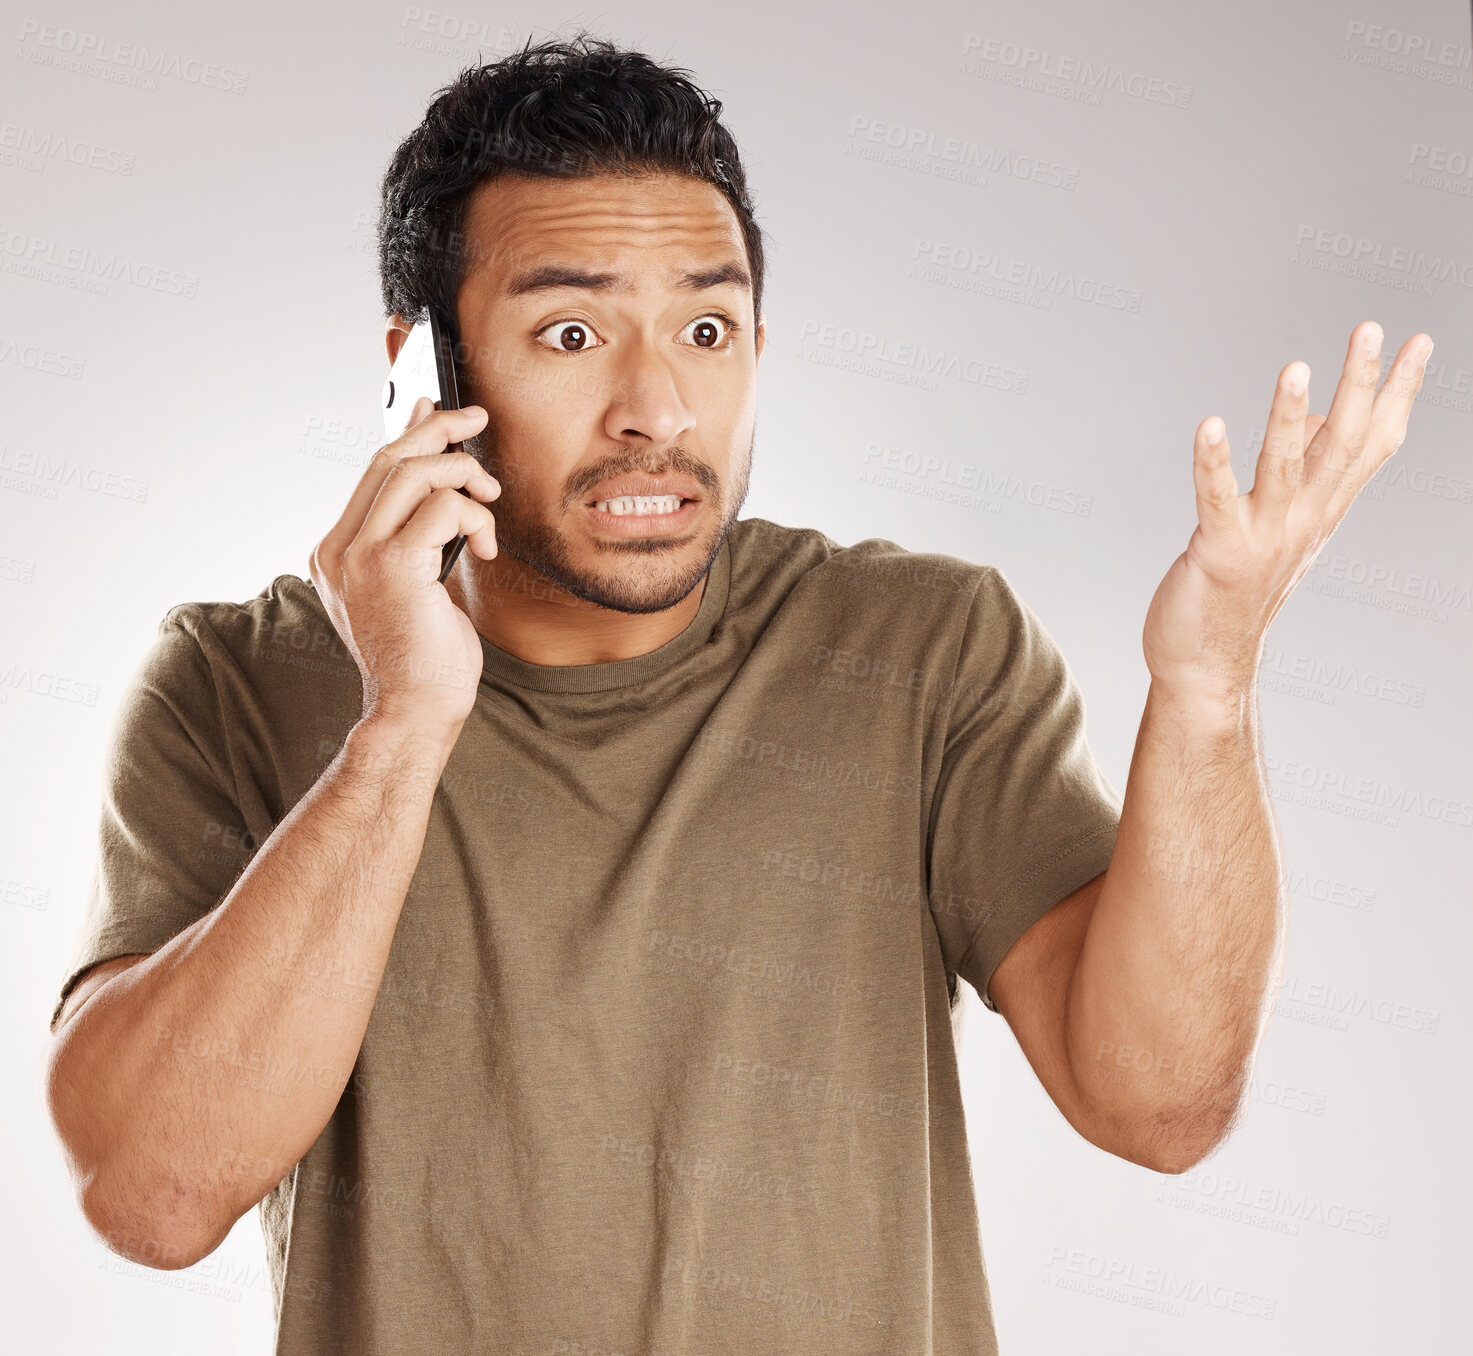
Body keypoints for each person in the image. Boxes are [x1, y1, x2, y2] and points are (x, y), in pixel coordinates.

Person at [44, 31, 1433, 1356]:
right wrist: (401, 727)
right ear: (419, 372)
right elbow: (154, 1198)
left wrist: (1205, 687)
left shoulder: (919, 648)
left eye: (706, 331)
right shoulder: (231, 682)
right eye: (572, 337)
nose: (656, 407)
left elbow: (1158, 1106)